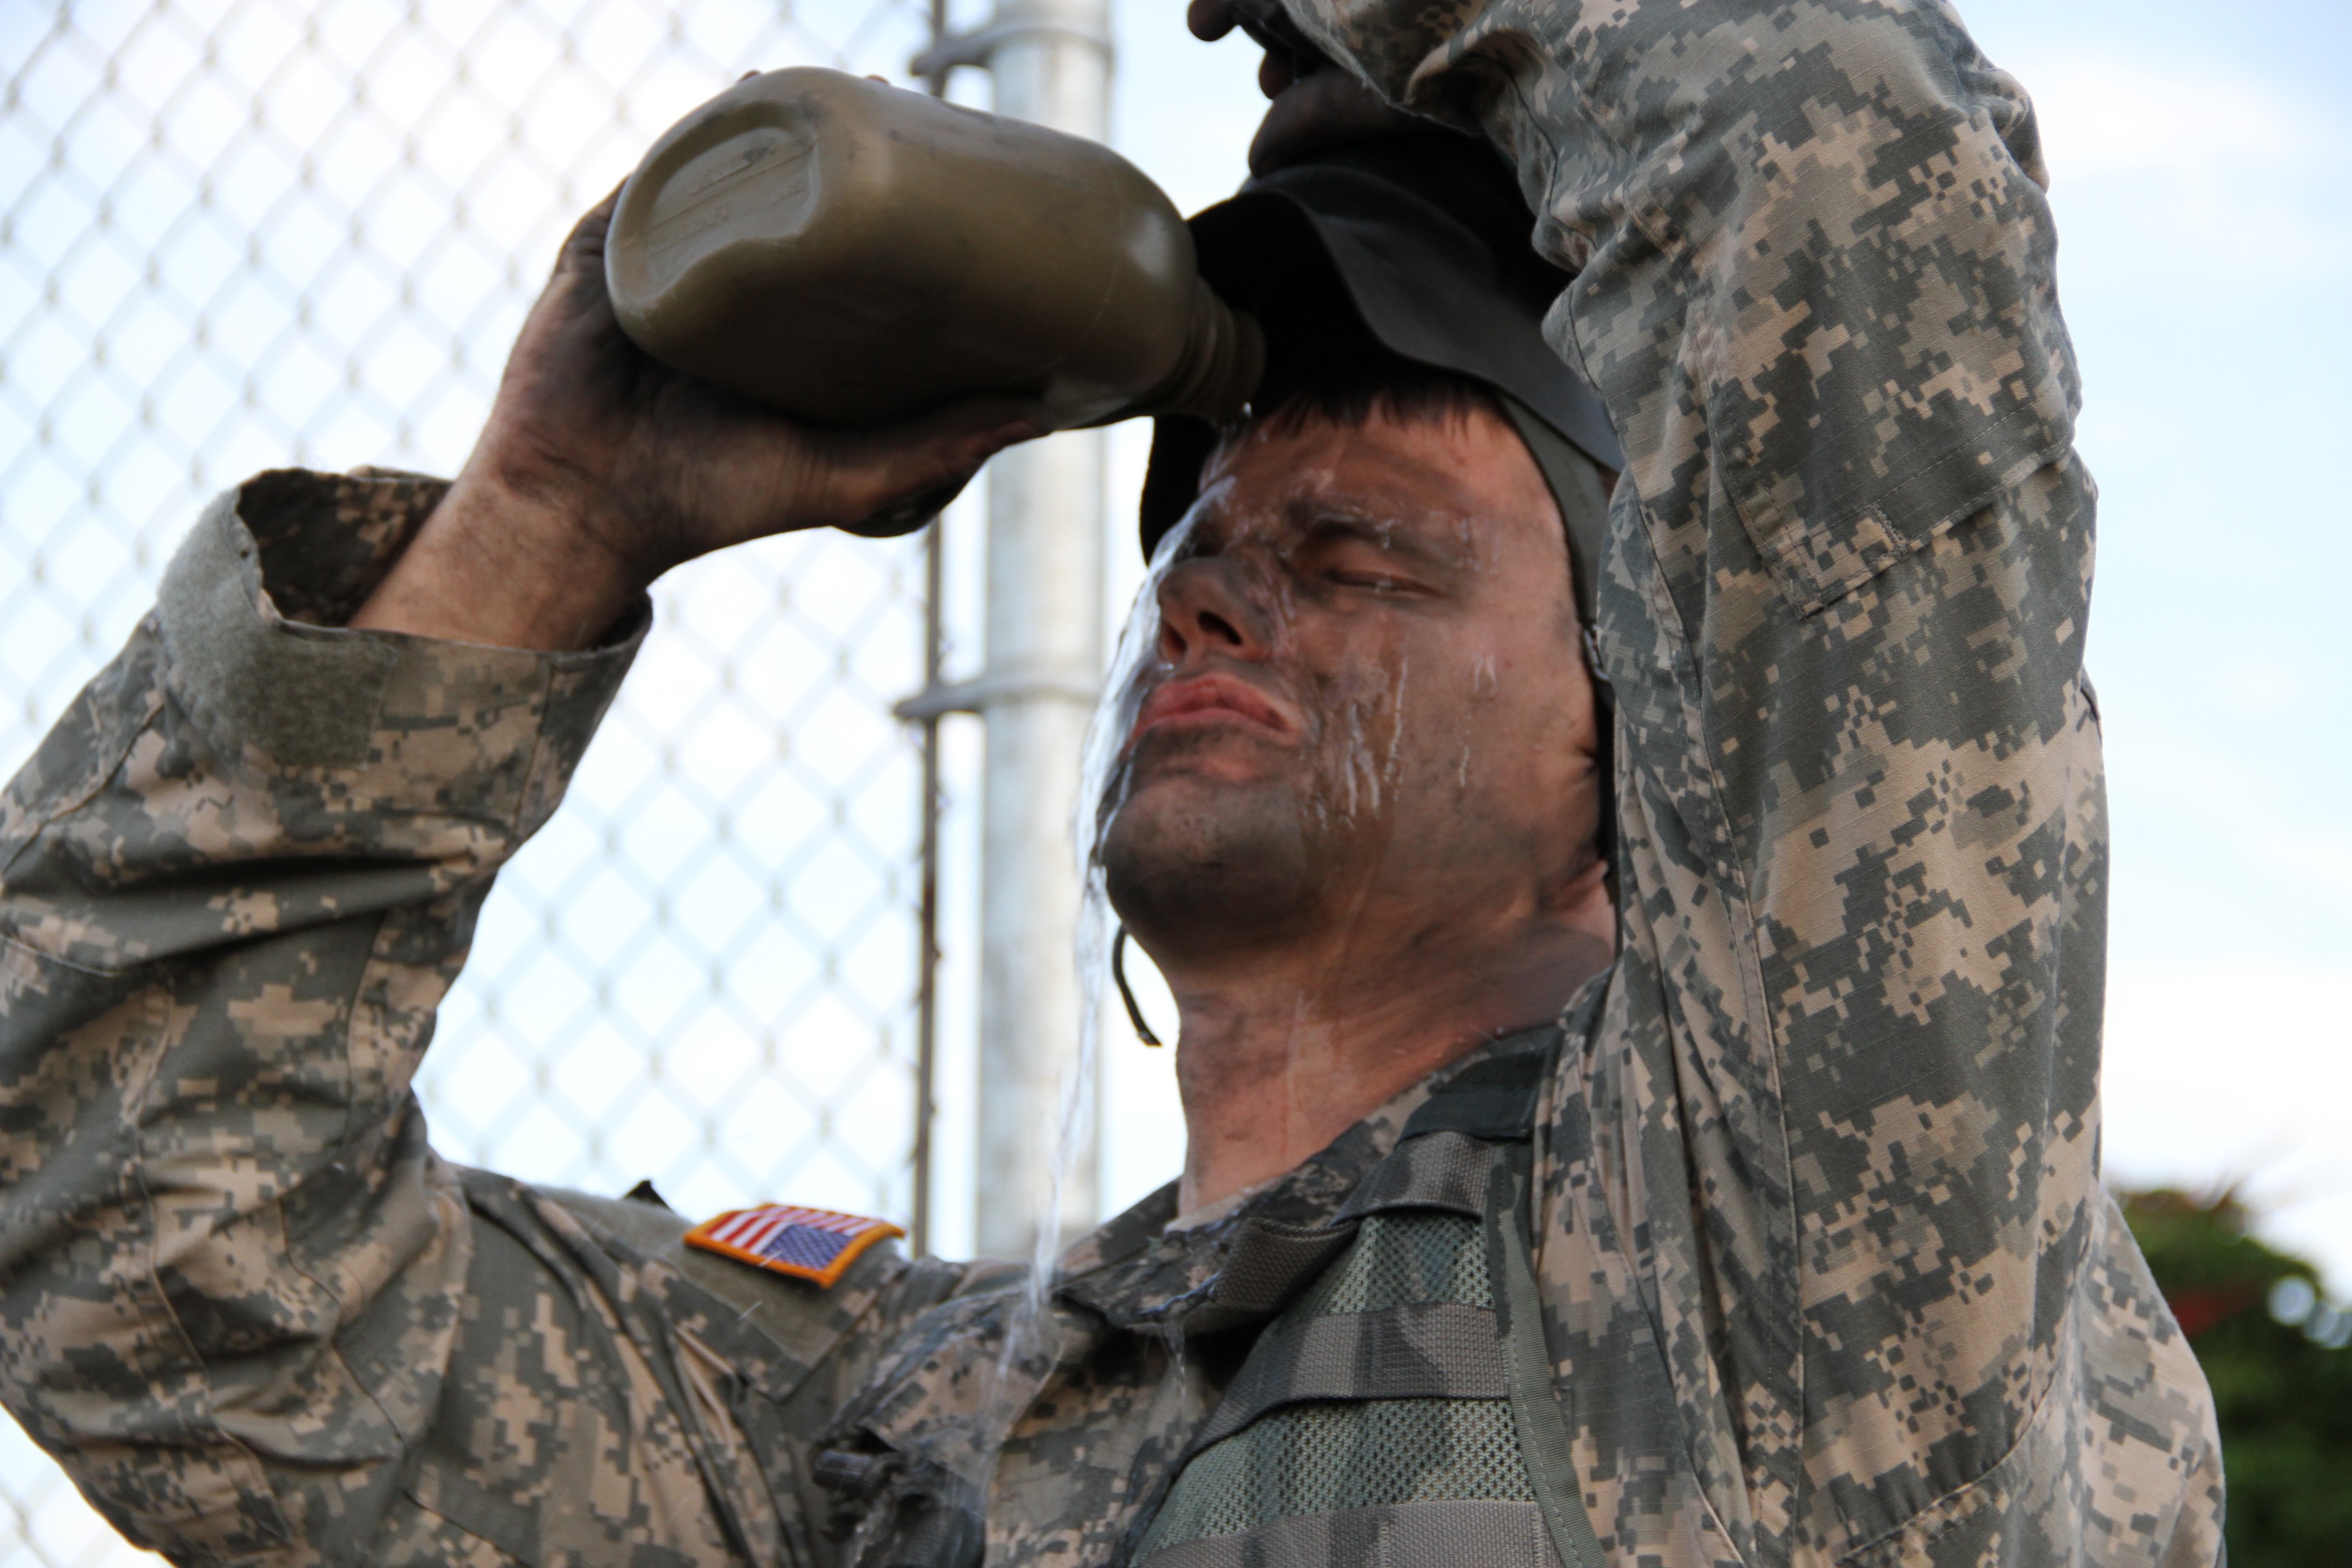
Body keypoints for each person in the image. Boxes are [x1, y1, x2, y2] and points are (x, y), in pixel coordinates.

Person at [0, 1, 2223, 1565]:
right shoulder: (896, 1431)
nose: (1220, 600)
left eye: (1355, 555)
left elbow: (1836, 146)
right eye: (1203, 552)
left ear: (1656, 741)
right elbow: (132, 1249)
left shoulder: (1776, 1267)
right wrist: (545, 527)